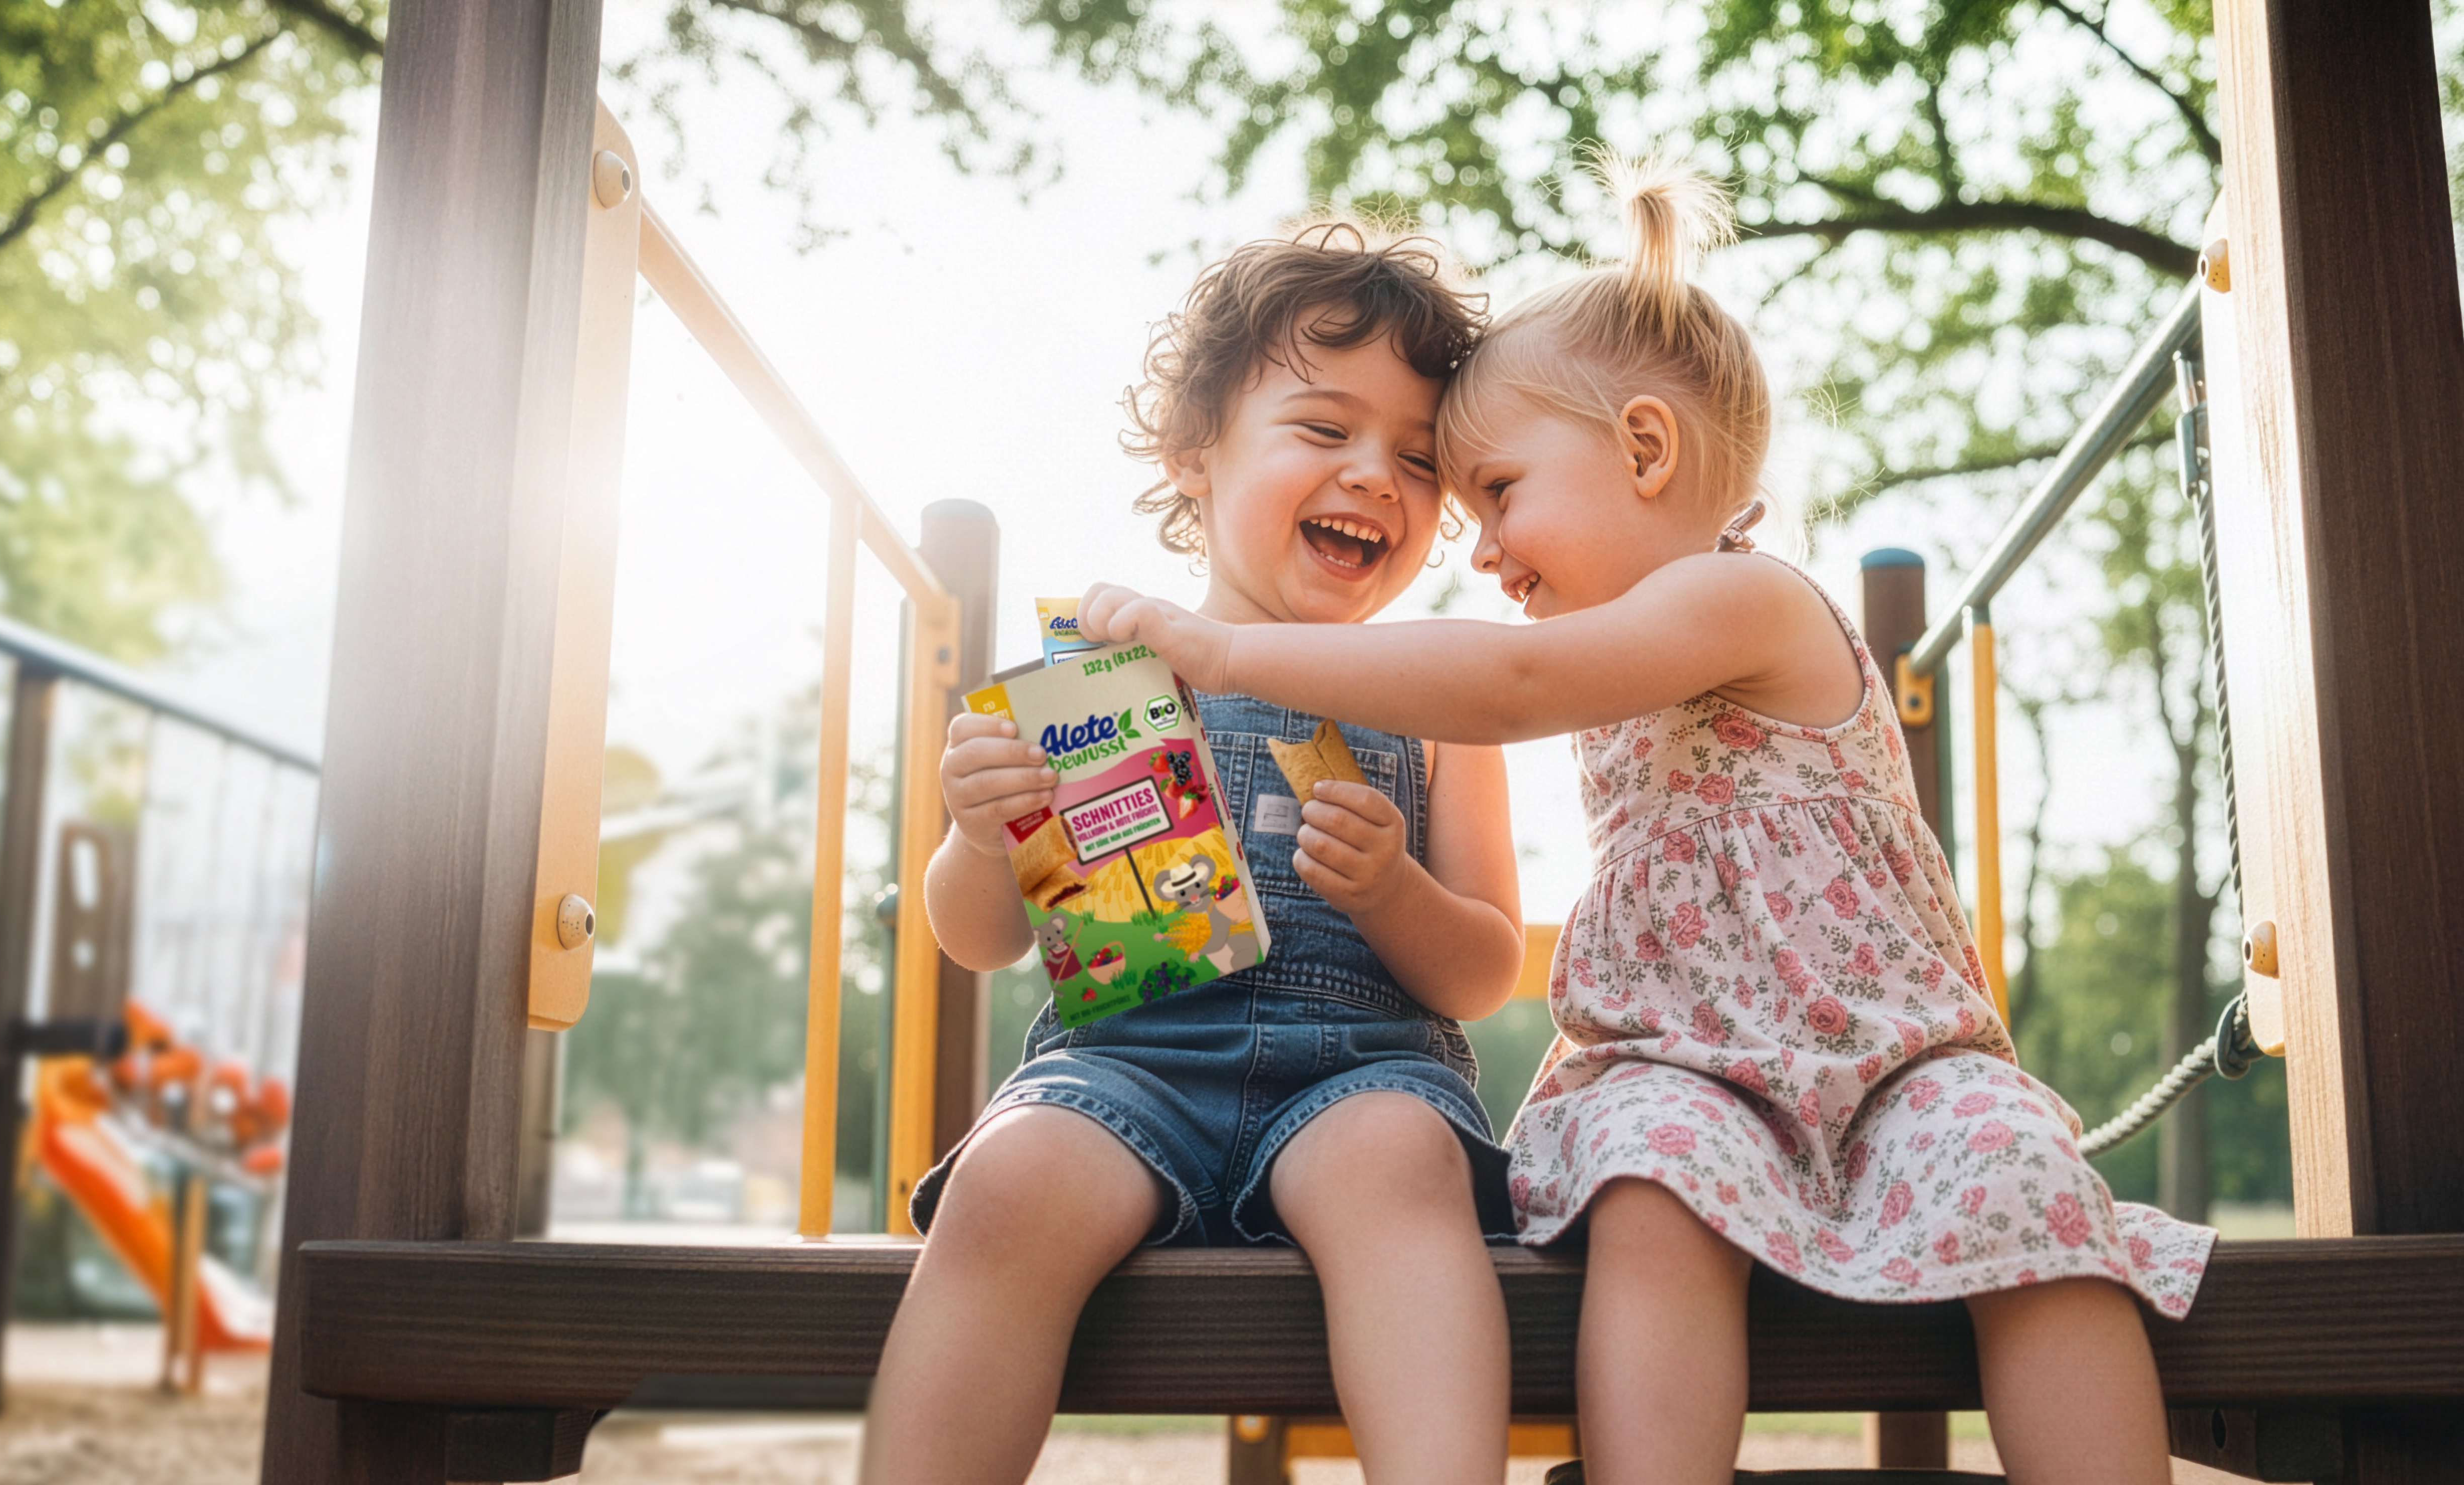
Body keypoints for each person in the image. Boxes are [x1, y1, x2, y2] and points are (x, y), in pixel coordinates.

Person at [1079, 158, 2215, 1485]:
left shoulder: (1737, 603)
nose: (1481, 547)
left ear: (1641, 448)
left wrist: (1225, 653)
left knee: (2024, 1172)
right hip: (1681, 1073)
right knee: (1652, 1181)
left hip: (1897, 1061)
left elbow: (1501, 682)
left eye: (1493, 492)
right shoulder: (1608, 668)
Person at [862, 222, 1526, 1485]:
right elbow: (979, 938)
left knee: (1399, 1163)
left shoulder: (1435, 697)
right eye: (1325, 432)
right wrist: (977, 834)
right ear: (1193, 460)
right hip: (1126, 1068)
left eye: (1416, 456)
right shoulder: (1096, 682)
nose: (1374, 475)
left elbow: (1483, 970)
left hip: (1361, 1077)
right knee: (1005, 1184)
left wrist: (1392, 891)